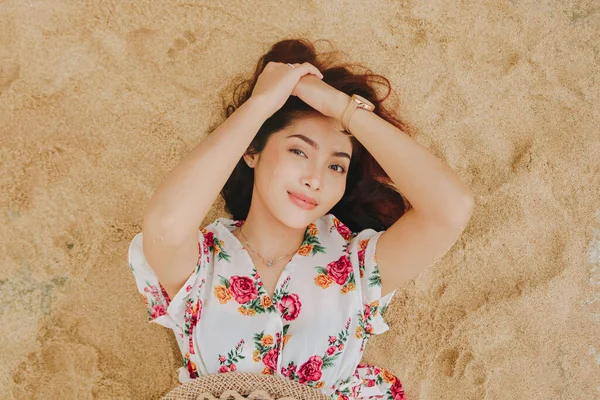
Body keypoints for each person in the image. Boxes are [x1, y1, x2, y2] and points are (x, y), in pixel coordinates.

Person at [128, 39, 474, 399]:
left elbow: (451, 208)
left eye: (336, 165)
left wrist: (340, 107)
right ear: (252, 150)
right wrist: (260, 104)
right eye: (298, 150)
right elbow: (166, 224)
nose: (316, 179)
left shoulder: (354, 268)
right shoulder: (201, 261)